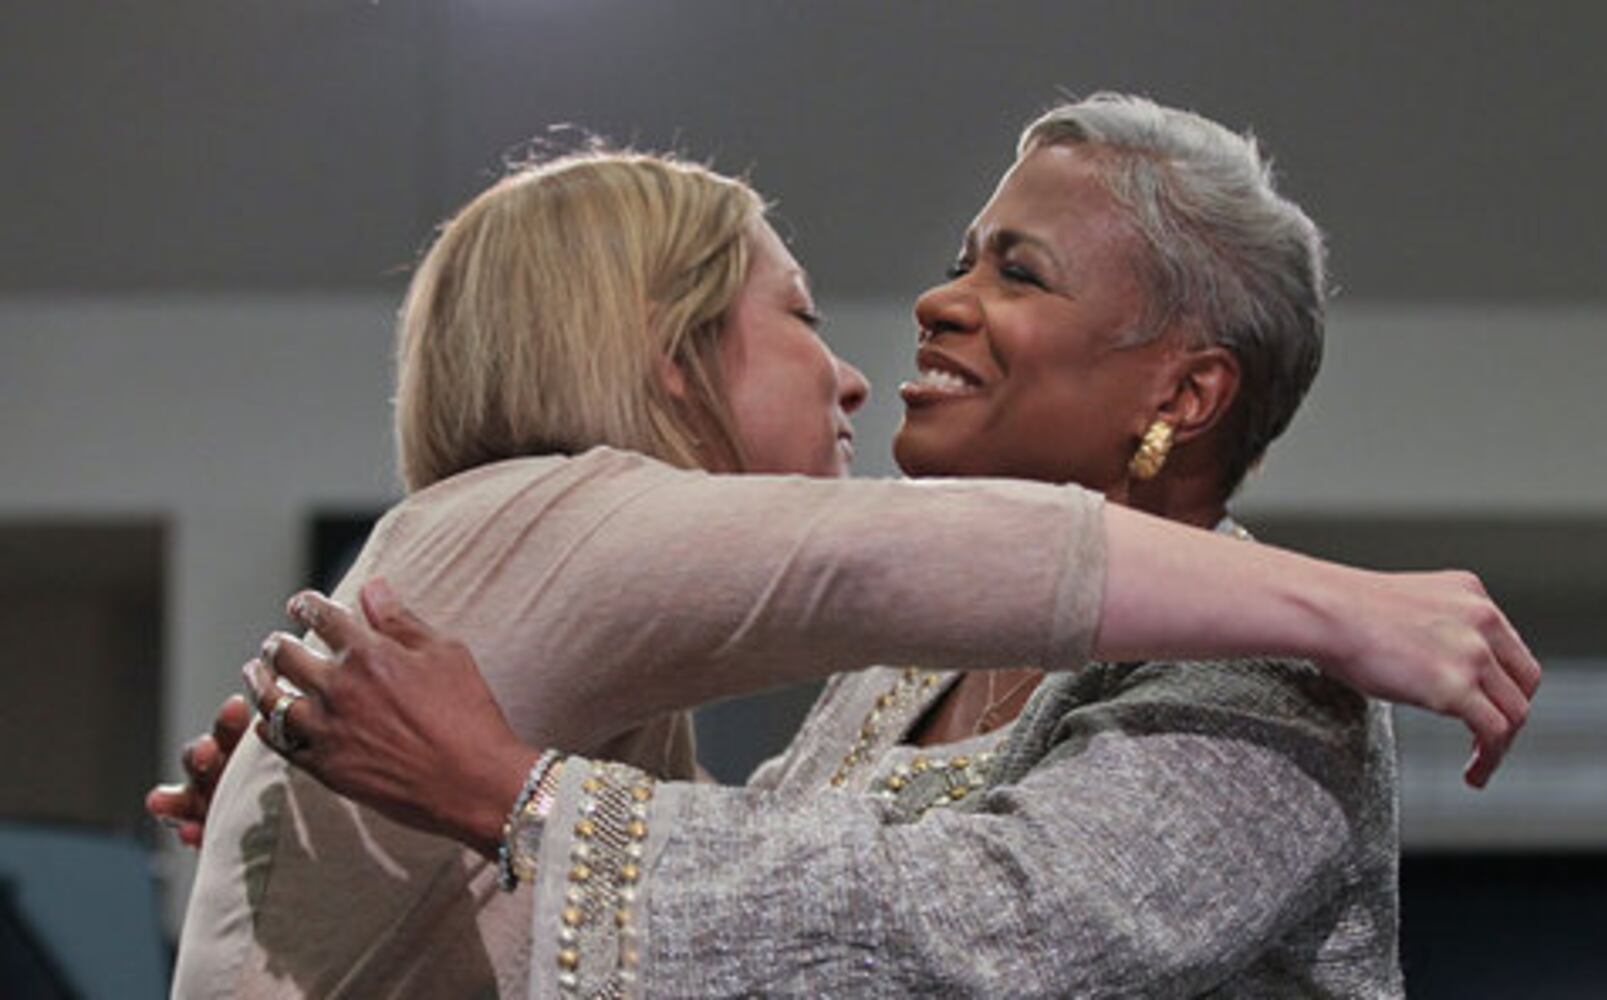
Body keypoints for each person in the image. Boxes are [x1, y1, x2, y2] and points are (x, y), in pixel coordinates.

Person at [163, 96, 1537, 998]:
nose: (935, 302)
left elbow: (994, 939)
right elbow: (745, 913)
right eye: (963, 255)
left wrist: (509, 796)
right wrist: (393, 834)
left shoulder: (1270, 684)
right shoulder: (898, 674)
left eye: (1017, 271)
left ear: (1183, 392)